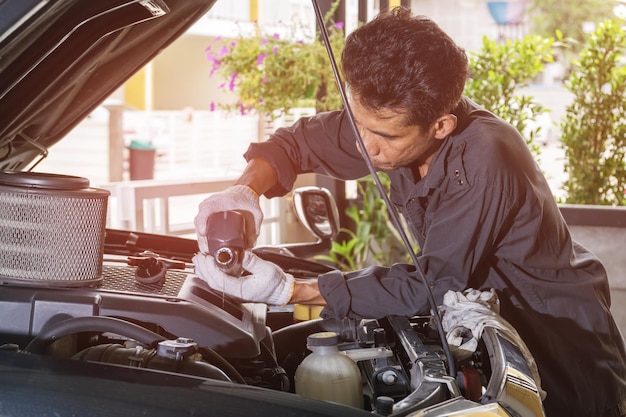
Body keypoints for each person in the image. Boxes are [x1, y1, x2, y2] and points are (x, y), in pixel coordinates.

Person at [192, 7, 626, 417]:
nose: (365, 144)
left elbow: (434, 280)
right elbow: (294, 144)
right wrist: (243, 192)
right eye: (358, 123)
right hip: (485, 327)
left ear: (440, 126)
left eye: (383, 135)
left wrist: (291, 290)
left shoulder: (485, 157)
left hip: (561, 337)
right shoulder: (382, 120)